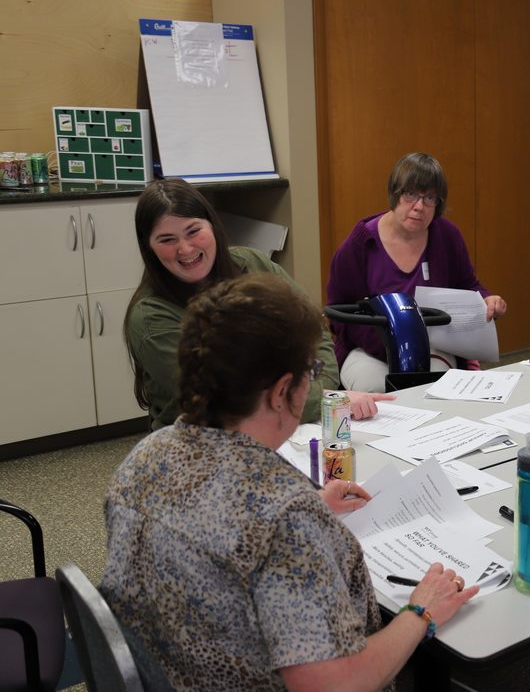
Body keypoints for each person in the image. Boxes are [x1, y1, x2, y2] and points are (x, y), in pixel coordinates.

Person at [103, 273, 478, 690]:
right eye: (311, 369)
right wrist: (421, 612)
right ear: (282, 391)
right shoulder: (284, 517)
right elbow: (333, 686)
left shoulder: (146, 456)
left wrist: (311, 506)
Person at [125, 179, 390, 430]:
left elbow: (311, 328)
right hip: (205, 441)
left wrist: (320, 385)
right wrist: (325, 398)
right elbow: (224, 397)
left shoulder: (251, 264)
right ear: (149, 247)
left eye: (193, 231)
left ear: (212, 225)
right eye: (167, 239)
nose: (185, 249)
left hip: (290, 420)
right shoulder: (149, 317)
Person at [327, 152, 507, 392]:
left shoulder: (447, 237)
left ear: (438, 203)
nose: (419, 206)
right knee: (376, 393)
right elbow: (339, 313)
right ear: (395, 194)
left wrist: (487, 299)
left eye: (430, 198)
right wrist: (395, 344)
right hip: (369, 350)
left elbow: (468, 284)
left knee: (436, 389)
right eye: (410, 194)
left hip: (432, 346)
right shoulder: (361, 244)